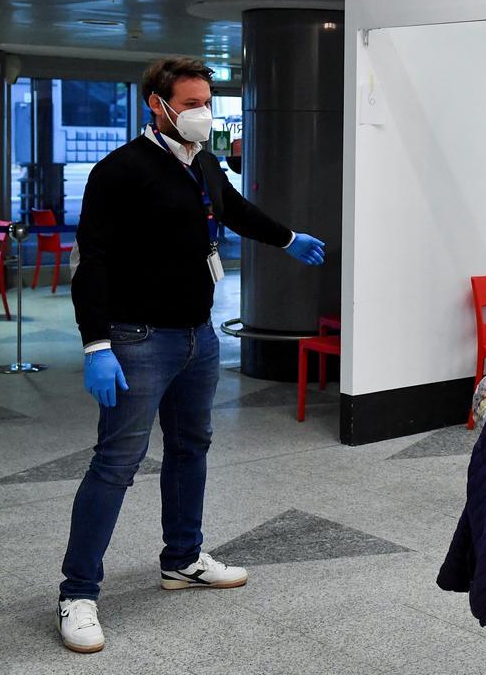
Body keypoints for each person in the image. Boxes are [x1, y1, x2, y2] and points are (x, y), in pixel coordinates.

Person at [58, 57, 326, 654]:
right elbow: (92, 263)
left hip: (196, 338)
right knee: (117, 462)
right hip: (136, 339)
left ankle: (181, 559)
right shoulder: (120, 171)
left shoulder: (202, 163)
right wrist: (97, 344)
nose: (204, 113)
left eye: (208, 101)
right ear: (159, 104)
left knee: (190, 447)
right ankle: (77, 592)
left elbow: (235, 211)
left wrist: (287, 239)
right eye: (194, 102)